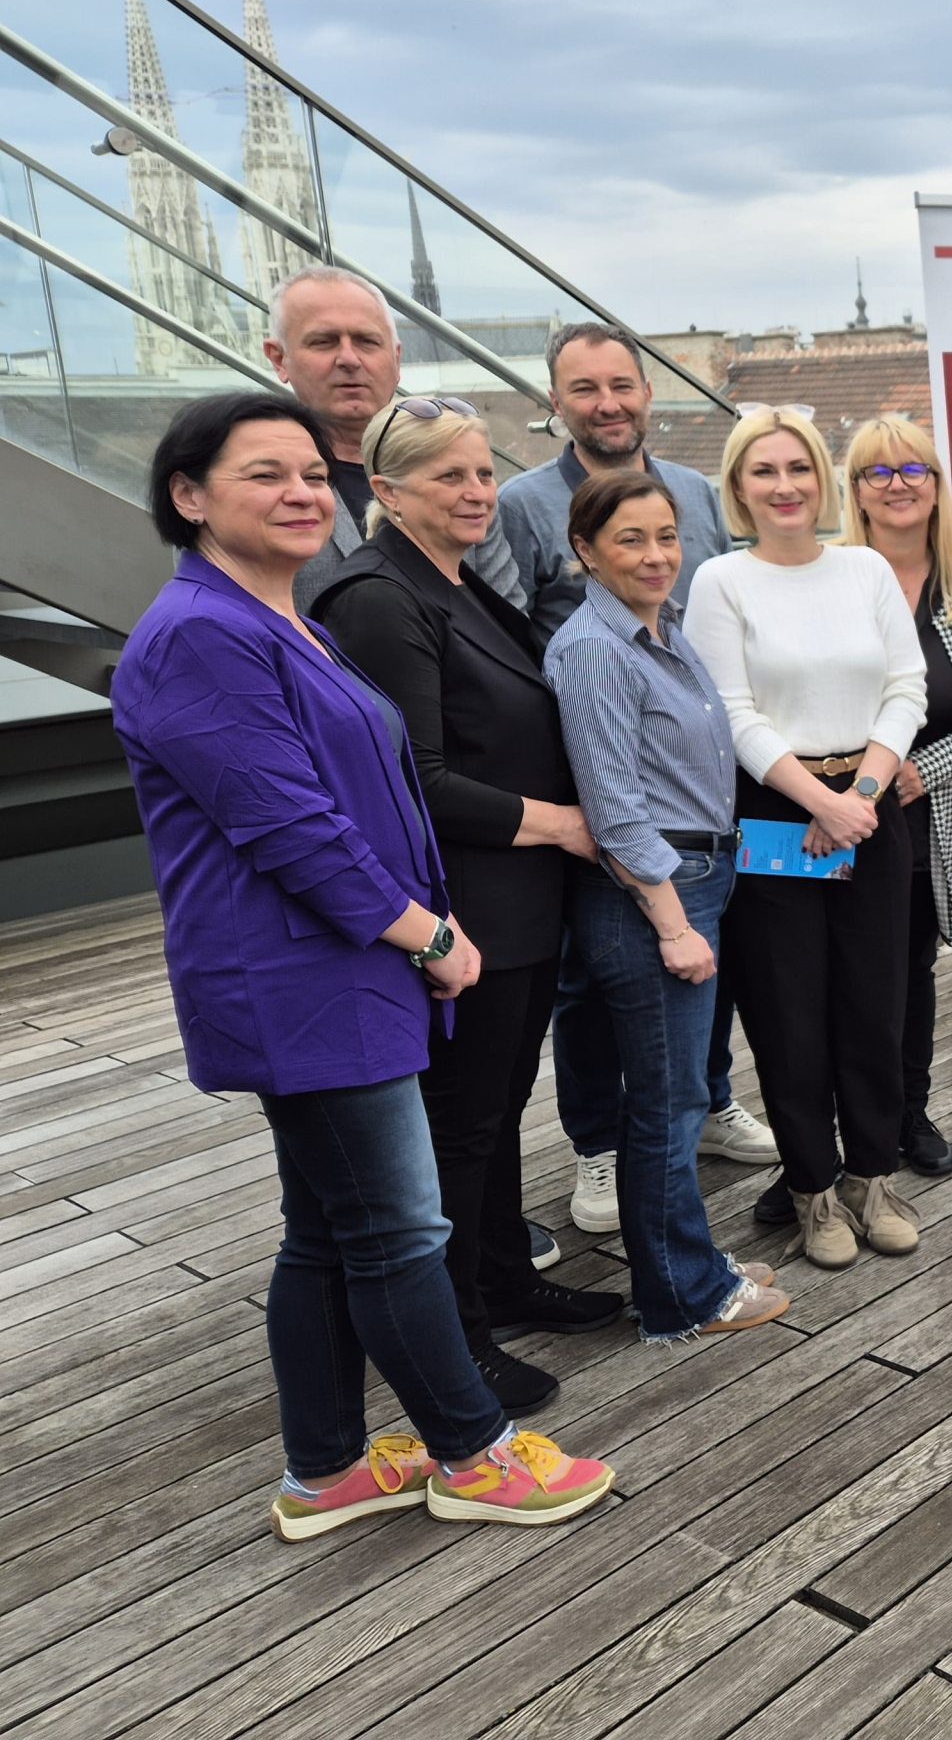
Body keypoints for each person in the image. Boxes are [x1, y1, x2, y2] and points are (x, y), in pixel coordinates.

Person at [113, 391, 610, 1538]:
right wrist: (426, 931)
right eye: (263, 475)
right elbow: (290, 827)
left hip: (340, 969)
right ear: (189, 497)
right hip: (302, 981)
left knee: (329, 1234)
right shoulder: (198, 636)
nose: (299, 493)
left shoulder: (279, 617)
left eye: (308, 474)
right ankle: (473, 1456)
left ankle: (326, 1470)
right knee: (398, 1232)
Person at [311, 398, 625, 1419]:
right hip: (466, 906)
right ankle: (459, 1340)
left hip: (518, 904)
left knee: (495, 1111)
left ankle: (502, 1279)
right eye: (449, 475)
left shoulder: (456, 580)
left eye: (485, 471)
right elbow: (416, 777)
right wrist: (561, 824)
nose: (478, 491)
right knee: (460, 1125)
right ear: (388, 490)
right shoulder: (377, 597)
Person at [495, 323, 774, 1235]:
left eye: (622, 385)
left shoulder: (694, 492)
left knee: (695, 995)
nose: (607, 404)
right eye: (584, 389)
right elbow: (502, 638)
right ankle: (600, 1147)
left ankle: (711, 1100)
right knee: (592, 989)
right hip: (601, 781)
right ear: (555, 403)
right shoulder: (523, 505)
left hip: (694, 775)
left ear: (649, 393)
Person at [544, 471, 790, 1338]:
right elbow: (614, 809)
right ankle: (682, 1295)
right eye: (631, 540)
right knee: (669, 1101)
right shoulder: (595, 649)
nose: (656, 556)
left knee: (675, 1092)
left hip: (697, 874)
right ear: (585, 550)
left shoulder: (664, 629)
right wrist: (674, 924)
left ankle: (688, 1262)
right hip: (653, 892)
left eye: (667, 536)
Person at [688, 409, 929, 1268]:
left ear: (822, 480)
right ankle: (813, 1189)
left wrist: (858, 796)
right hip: (773, 811)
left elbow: (907, 686)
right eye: (764, 471)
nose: (784, 485)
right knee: (788, 1013)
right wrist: (818, 803)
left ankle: (871, 1176)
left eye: (798, 468)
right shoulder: (721, 581)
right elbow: (731, 711)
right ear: (738, 488)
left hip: (869, 805)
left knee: (875, 1004)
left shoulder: (864, 568)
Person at [836, 415, 952, 1180]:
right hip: (829, 817)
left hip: (919, 819)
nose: (898, 485)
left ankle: (908, 1115)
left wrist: (923, 770)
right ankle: (823, 1140)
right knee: (829, 980)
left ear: (938, 488)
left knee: (909, 974)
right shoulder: (829, 582)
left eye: (914, 470)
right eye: (878, 472)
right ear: (856, 492)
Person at [263, 265, 520, 613]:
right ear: (279, 359)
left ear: (397, 359)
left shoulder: (465, 477)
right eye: (323, 342)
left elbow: (507, 615)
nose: (349, 359)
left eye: (367, 341)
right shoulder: (256, 486)